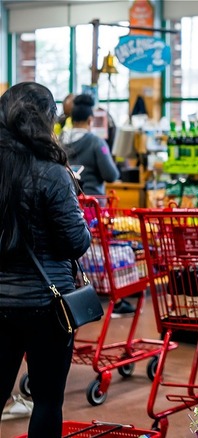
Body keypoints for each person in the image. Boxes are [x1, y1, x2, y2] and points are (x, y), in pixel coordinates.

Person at [0, 82, 91, 436]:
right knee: (48, 400)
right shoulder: (52, 172)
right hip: (46, 304)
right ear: (47, 119)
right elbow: (74, 243)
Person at [59, 94, 133, 317]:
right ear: (91, 119)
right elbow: (111, 174)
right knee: (100, 250)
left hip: (68, 204)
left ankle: (81, 288)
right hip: (93, 206)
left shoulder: (59, 140)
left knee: (80, 253)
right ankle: (113, 297)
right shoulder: (95, 142)